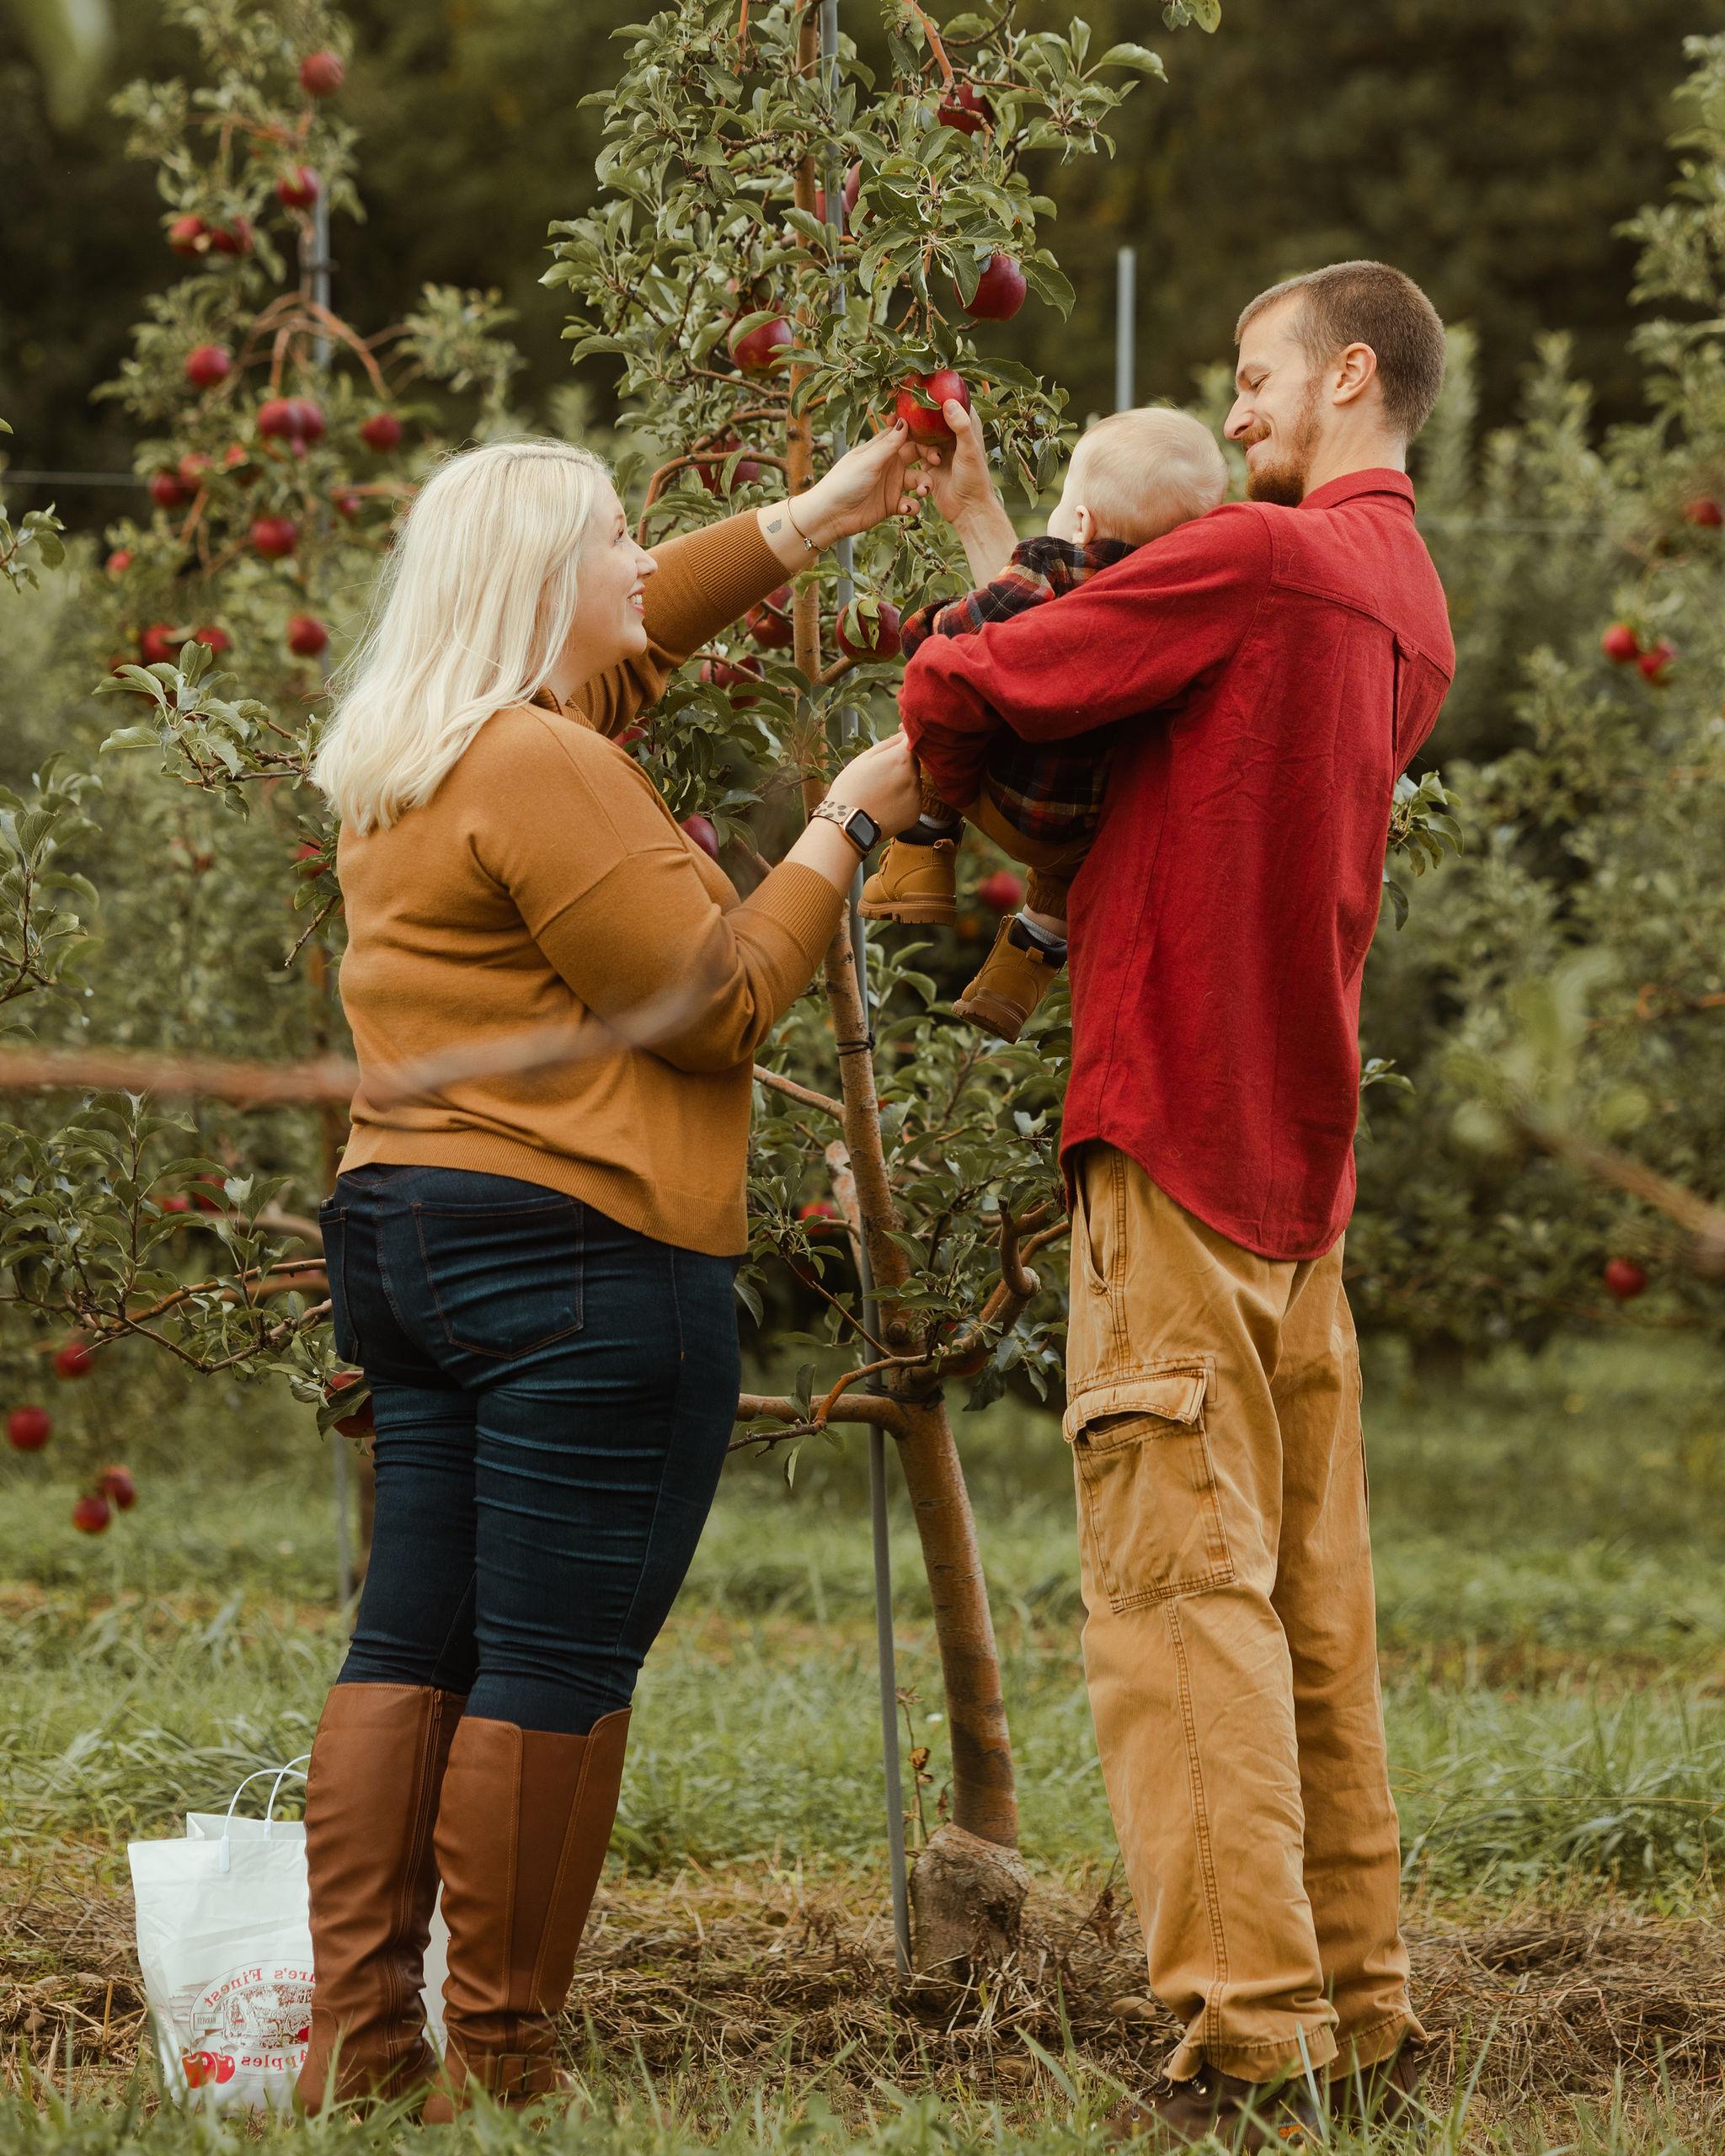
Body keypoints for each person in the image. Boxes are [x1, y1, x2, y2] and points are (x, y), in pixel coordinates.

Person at [293, 431, 923, 2120]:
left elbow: (637, 642)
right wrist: (848, 827)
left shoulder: (417, 752)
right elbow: (712, 1001)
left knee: (408, 1637)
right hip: (579, 1247)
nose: (642, 558)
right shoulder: (544, 766)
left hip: (408, 1236)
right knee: (553, 1661)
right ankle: (503, 2062)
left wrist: (806, 522)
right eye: (613, 539)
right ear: (535, 582)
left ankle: (358, 2050)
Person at [900, 261, 1455, 2153]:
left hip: (1168, 1126)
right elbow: (1172, 744)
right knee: (1306, 1604)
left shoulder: (1266, 559)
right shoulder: (1406, 603)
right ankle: (1356, 2001)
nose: (1235, 419)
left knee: (1173, 1607)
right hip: (1295, 1164)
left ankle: (1248, 2037)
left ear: (1350, 374)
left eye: (1253, 378)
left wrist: (945, 782)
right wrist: (1003, 516)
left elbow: (977, 671)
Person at [860, 407, 1227, 1042]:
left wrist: (924, 626)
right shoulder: (1179, 614)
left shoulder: (1054, 563)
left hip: (1004, 793)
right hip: (1083, 836)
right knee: (1060, 883)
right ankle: (1012, 985)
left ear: (1080, 520)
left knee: (947, 699)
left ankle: (924, 850)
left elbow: (987, 627)